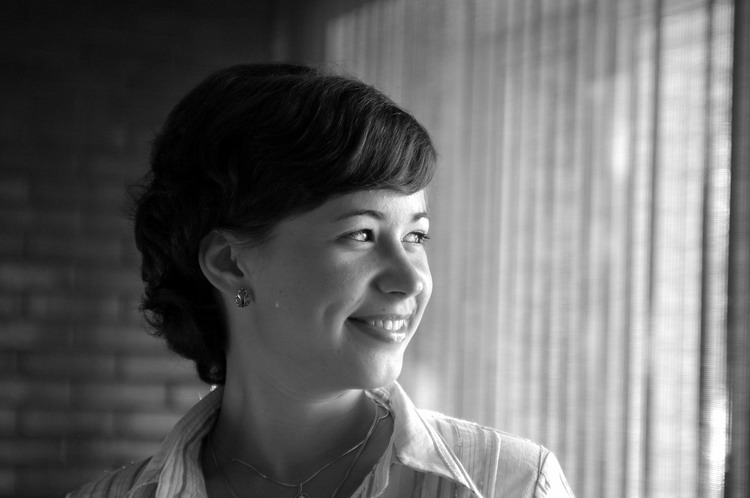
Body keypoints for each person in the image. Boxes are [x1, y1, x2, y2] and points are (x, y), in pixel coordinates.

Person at [68, 63, 574, 498]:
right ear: (230, 263)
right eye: (360, 234)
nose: (410, 280)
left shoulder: (511, 483)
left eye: (416, 237)